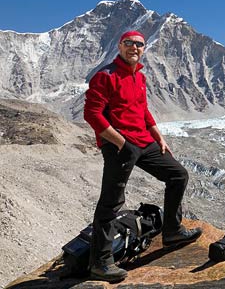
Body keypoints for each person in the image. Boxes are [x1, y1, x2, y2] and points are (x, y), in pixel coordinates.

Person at [83, 30, 202, 283]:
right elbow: (92, 115)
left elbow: (143, 110)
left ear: (143, 49)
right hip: (119, 144)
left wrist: (158, 136)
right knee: (111, 202)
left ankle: (172, 231)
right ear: (119, 45)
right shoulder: (105, 76)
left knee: (178, 175)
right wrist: (120, 143)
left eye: (139, 44)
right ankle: (100, 263)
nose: (134, 48)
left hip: (144, 141)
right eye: (129, 43)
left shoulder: (140, 76)